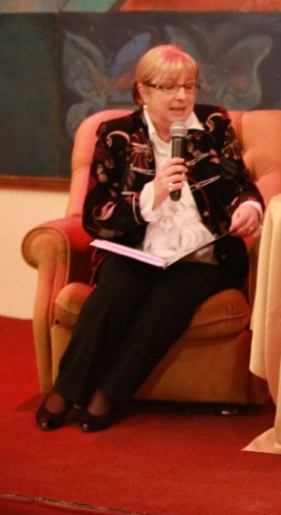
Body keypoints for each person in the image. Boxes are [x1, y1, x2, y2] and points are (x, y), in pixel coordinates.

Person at [34, 43, 264, 432]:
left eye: (189, 86)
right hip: (137, 249)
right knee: (114, 293)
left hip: (205, 254)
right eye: (169, 87)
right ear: (142, 90)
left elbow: (240, 184)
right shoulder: (116, 135)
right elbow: (95, 214)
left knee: (169, 301)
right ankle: (66, 390)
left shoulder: (213, 125)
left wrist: (249, 207)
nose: (182, 97)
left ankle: (108, 393)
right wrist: (148, 196)